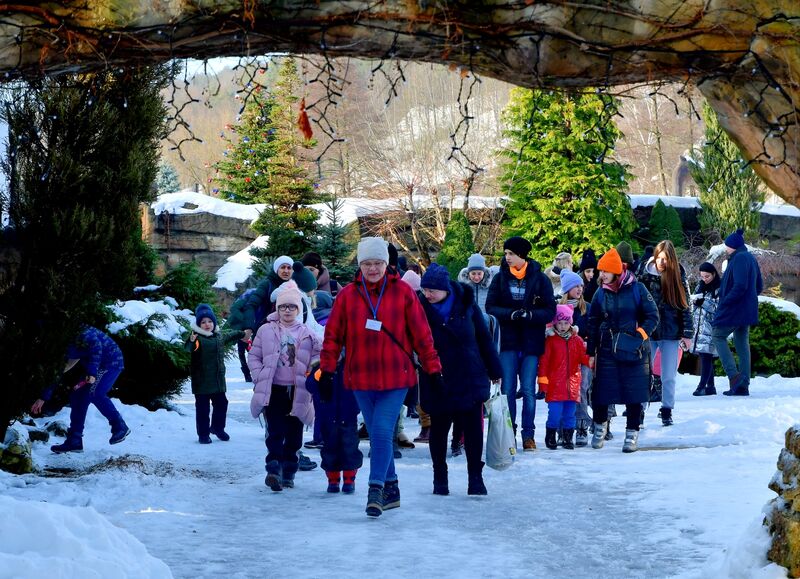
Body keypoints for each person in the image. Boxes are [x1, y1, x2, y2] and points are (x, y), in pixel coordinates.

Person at [319, 236, 442, 517]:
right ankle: (392, 487)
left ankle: (375, 489)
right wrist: (326, 370)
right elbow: (333, 336)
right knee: (378, 433)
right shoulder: (348, 296)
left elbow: (422, 336)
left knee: (382, 432)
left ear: (386, 264)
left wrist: (433, 369)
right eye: (367, 264)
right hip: (360, 377)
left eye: (377, 263)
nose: (372, 269)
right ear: (360, 265)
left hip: (395, 376)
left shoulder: (403, 293)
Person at [418, 263, 502, 496]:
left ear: (446, 289)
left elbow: (484, 339)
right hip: (438, 376)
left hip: (469, 374)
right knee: (439, 428)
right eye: (425, 289)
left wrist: (495, 370)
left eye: (433, 290)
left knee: (473, 430)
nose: (428, 294)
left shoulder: (466, 304)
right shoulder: (419, 307)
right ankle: (440, 478)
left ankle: (476, 477)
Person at [248, 281, 322, 492]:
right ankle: (273, 468)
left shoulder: (307, 333)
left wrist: (313, 372)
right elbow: (253, 355)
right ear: (277, 309)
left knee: (294, 434)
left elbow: (319, 354)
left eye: (291, 307)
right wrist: (259, 375)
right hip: (274, 390)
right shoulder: (266, 330)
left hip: (298, 391)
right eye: (283, 307)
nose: (287, 311)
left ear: (298, 310)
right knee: (275, 431)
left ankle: (289, 469)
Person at [486, 236, 557, 451]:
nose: (507, 257)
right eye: (506, 253)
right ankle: (509, 434)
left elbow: (550, 310)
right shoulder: (499, 278)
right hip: (507, 342)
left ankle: (528, 434)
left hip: (531, 342)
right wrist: (511, 314)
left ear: (522, 255)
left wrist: (530, 315)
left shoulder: (540, 279)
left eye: (511, 254)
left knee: (527, 390)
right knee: (507, 389)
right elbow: (491, 307)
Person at [587, 248, 659, 453]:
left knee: (633, 393)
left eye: (605, 271)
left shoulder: (638, 289)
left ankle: (632, 434)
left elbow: (652, 316)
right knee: (602, 392)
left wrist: (640, 334)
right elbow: (593, 322)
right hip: (607, 348)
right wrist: (590, 352)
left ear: (617, 271)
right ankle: (599, 427)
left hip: (634, 349)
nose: (601, 275)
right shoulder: (600, 293)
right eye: (600, 271)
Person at [31, 326, 130, 453]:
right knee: (77, 396)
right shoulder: (58, 346)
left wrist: (92, 372)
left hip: (110, 361)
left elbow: (96, 346)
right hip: (94, 366)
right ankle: (74, 440)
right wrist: (43, 397)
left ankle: (119, 426)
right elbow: (59, 371)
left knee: (95, 393)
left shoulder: (75, 329)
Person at [638, 240, 693, 426]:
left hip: (671, 330)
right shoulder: (644, 274)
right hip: (648, 330)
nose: (662, 263)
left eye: (666, 259)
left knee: (668, 375)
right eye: (660, 258)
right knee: (644, 373)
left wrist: (687, 332)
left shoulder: (678, 275)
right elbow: (636, 302)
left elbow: (686, 306)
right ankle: (639, 409)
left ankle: (667, 409)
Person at [711, 228, 763, 396]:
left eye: (727, 245)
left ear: (732, 245)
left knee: (717, 335)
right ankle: (744, 384)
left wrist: (726, 300)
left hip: (735, 309)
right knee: (742, 344)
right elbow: (759, 286)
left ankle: (734, 377)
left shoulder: (739, 258)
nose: (725, 248)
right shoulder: (750, 258)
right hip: (746, 310)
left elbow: (739, 285)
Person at [226, 255, 294, 381]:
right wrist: (249, 328)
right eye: (282, 267)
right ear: (276, 269)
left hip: (288, 332)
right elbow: (251, 305)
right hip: (266, 331)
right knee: (267, 368)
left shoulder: (294, 285)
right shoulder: (267, 284)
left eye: (289, 268)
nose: (286, 271)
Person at [186, 303, 244, 444]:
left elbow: (229, 335)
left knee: (222, 404)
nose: (207, 324)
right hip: (202, 382)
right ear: (199, 324)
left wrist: (241, 333)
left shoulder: (218, 337)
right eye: (203, 322)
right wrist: (191, 341)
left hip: (218, 382)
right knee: (203, 410)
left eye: (210, 321)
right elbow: (189, 348)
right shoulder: (198, 339)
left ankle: (218, 428)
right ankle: (203, 434)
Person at [307, 358, 362, 494]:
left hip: (348, 415)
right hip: (328, 416)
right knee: (330, 448)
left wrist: (357, 406)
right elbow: (310, 385)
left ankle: (349, 479)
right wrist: (319, 373)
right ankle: (333, 479)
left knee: (350, 447)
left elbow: (361, 386)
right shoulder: (321, 366)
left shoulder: (352, 365)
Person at [538, 304, 588, 450]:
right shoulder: (551, 341)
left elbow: (583, 357)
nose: (563, 326)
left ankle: (568, 438)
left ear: (570, 322)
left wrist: (591, 359)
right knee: (554, 413)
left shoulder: (576, 340)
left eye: (566, 323)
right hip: (555, 386)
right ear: (555, 323)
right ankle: (551, 435)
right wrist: (543, 384)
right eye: (559, 323)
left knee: (570, 414)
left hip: (572, 385)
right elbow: (544, 363)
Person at [558, 269, 592, 446]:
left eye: (581, 285)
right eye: (575, 286)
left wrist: (587, 342)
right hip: (563, 357)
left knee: (581, 389)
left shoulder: (588, 307)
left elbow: (593, 329)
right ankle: (563, 429)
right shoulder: (559, 308)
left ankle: (581, 426)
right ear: (567, 288)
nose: (579, 289)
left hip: (583, 355)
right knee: (563, 390)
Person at [690, 262, 721, 396]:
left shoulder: (719, 288)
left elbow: (719, 308)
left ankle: (701, 386)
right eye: (702, 276)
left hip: (710, 326)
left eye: (707, 276)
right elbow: (693, 305)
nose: (704, 279)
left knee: (706, 355)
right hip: (698, 326)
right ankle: (711, 386)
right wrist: (695, 302)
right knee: (704, 354)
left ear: (713, 274)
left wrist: (704, 303)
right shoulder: (700, 286)